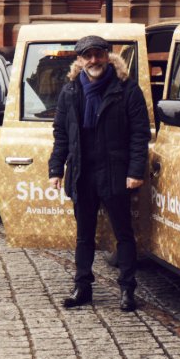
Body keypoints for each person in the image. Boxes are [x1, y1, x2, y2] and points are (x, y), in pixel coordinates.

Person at [48, 35, 150, 312]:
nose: (94, 60)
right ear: (79, 60)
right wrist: (56, 168)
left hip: (115, 172)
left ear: (107, 56)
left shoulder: (126, 89)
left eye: (99, 54)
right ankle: (83, 287)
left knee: (123, 233)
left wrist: (134, 171)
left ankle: (127, 289)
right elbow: (61, 134)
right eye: (88, 56)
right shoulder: (70, 91)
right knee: (84, 235)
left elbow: (139, 134)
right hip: (82, 172)